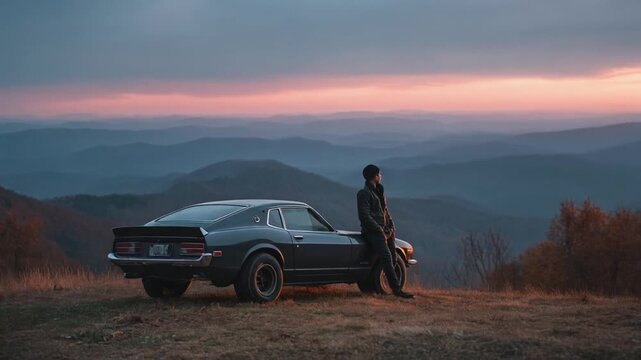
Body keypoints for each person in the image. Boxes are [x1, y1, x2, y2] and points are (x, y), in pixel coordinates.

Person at [357, 164, 414, 299]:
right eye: (379, 174)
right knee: (387, 258)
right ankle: (397, 290)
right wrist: (379, 230)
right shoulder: (363, 193)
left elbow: (385, 211)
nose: (381, 176)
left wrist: (392, 227)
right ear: (375, 176)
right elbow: (364, 216)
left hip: (387, 231)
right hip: (374, 233)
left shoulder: (379, 191)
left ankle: (388, 287)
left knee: (393, 258)